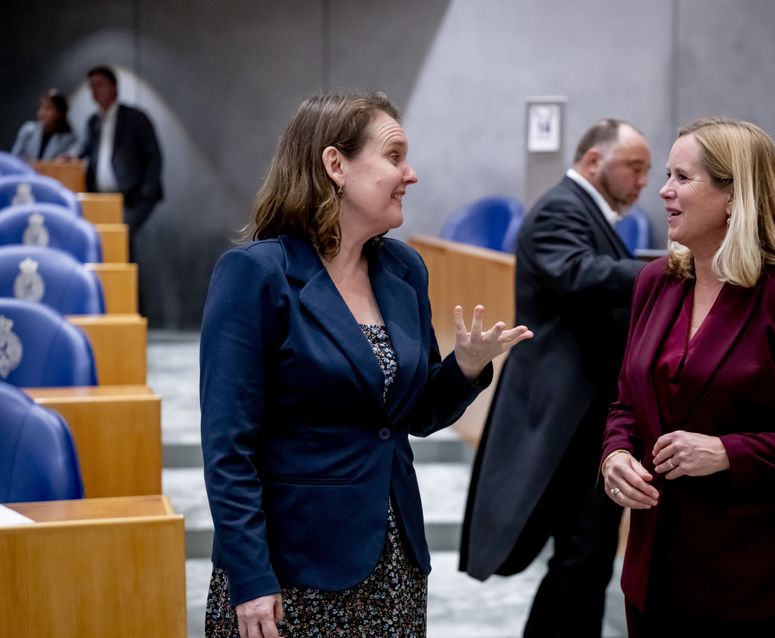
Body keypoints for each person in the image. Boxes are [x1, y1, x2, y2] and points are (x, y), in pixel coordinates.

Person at [200, 92, 531, 638]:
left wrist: (465, 367)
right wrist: (251, 577)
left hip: (393, 560)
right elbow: (228, 449)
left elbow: (414, 414)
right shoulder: (255, 275)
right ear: (336, 165)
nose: (411, 173)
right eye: (395, 155)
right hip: (292, 569)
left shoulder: (403, 269)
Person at [601, 117, 775, 636]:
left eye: (682, 177)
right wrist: (614, 454)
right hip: (653, 572)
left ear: (733, 196)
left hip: (755, 581)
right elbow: (627, 403)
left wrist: (728, 452)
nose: (664, 190)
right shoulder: (655, 281)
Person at [461, 118, 651, 636]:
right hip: (563, 413)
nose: (643, 183)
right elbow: (578, 273)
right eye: (635, 168)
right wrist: (669, 269)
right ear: (595, 162)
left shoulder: (583, 210)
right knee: (581, 553)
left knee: (586, 555)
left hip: (585, 414)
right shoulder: (560, 208)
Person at [77, 65, 163, 243]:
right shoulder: (93, 122)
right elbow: (82, 149)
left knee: (119, 241)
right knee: (106, 245)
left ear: (113, 87)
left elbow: (154, 156)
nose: (94, 90)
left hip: (131, 197)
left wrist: (146, 191)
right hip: (101, 198)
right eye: (91, 86)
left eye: (99, 84)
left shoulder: (135, 117)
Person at [10, 90, 77, 161]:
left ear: (59, 113)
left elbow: (66, 163)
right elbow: (14, 158)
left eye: (48, 108)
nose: (42, 113)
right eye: (41, 107)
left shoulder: (68, 138)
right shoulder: (28, 130)